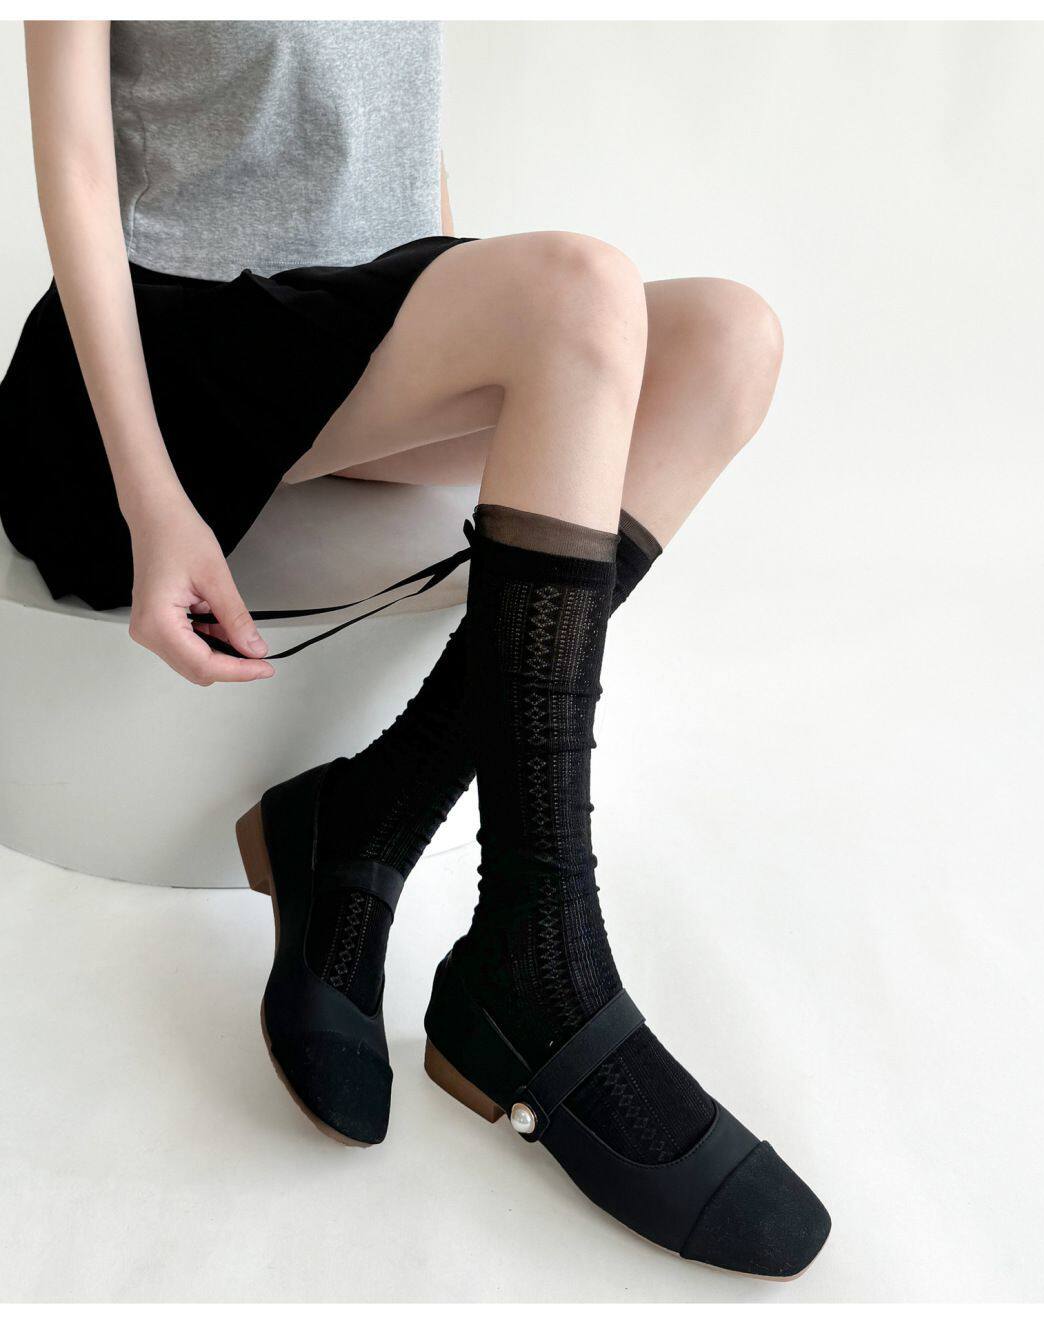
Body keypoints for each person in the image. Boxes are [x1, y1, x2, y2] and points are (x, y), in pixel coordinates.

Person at [1, 19, 830, 1278]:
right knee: (582, 287)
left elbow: (399, 139)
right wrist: (153, 500)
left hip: (331, 336)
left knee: (728, 340)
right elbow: (71, 165)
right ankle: (538, 953)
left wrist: (498, 341)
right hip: (158, 361)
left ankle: (367, 816)